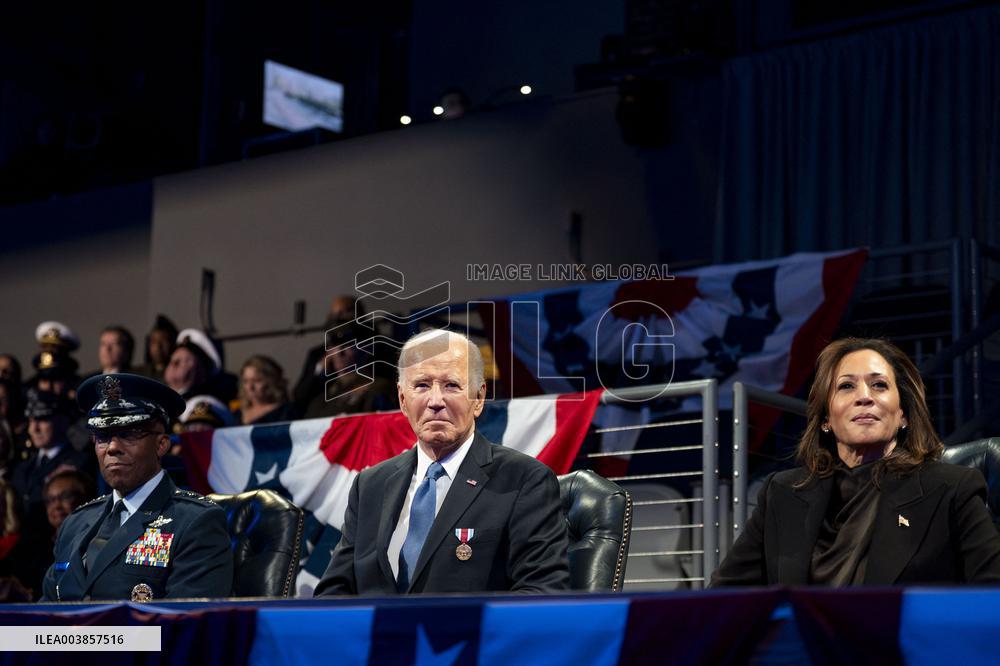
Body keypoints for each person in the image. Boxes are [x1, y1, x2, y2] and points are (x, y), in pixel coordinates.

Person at [711, 337, 1000, 586]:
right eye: (846, 386)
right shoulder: (783, 493)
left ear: (903, 415)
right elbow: (724, 597)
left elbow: (991, 594)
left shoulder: (952, 488)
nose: (864, 397)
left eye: (879, 385)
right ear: (826, 419)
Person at [314, 329, 570, 596]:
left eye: (452, 385)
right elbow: (334, 593)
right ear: (403, 399)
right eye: (422, 385)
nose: (436, 401)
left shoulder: (524, 480)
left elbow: (541, 593)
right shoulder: (370, 485)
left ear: (479, 398)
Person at [41, 373, 233, 602]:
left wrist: (88, 640)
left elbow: (187, 627)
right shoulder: (75, 523)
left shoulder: (195, 522)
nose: (112, 447)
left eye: (128, 434)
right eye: (102, 436)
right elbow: (45, 615)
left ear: (161, 445)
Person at [237, 355, 298, 425]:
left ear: (272, 381)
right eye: (246, 381)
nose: (250, 387)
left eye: (257, 380)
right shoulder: (236, 414)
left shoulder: (286, 412)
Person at [133, 315, 178, 382]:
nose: (158, 346)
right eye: (154, 341)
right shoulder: (137, 374)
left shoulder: (178, 374)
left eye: (164, 341)